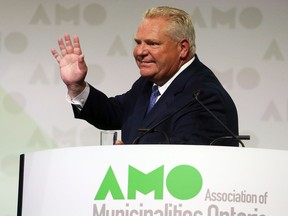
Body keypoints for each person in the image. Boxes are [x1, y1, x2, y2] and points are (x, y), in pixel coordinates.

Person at [51, 6, 239, 146]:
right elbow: (111, 113)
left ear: (182, 48)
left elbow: (190, 163)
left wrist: (134, 159)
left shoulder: (204, 96)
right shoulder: (148, 84)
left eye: (152, 43)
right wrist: (77, 86)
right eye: (138, 42)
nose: (140, 51)